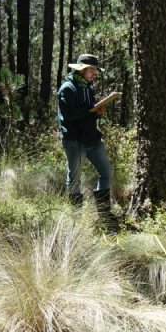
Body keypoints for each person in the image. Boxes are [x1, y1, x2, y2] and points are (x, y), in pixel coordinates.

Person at [57, 53, 117, 231]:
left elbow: (88, 112)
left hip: (92, 139)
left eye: (95, 70)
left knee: (107, 172)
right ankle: (75, 222)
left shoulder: (88, 87)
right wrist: (91, 110)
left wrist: (98, 110)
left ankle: (104, 216)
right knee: (74, 179)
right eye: (91, 70)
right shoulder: (67, 88)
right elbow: (70, 115)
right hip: (75, 141)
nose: (94, 73)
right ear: (81, 70)